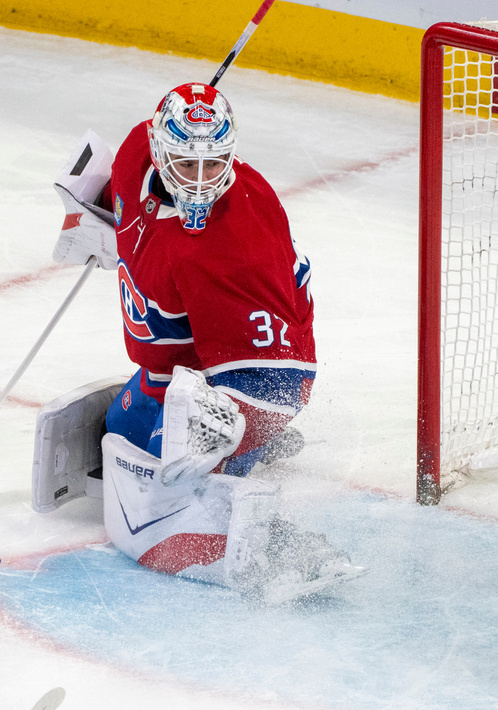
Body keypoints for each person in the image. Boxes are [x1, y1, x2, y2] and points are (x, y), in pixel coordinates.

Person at [49, 82, 363, 604]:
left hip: (248, 372)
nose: (198, 181)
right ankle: (242, 445)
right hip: (175, 366)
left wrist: (228, 426)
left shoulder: (233, 248)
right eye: (185, 163)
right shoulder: (133, 155)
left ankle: (288, 544)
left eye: (212, 165)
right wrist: (97, 218)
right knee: (117, 436)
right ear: (156, 147)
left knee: (160, 494)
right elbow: (121, 195)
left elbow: (281, 380)